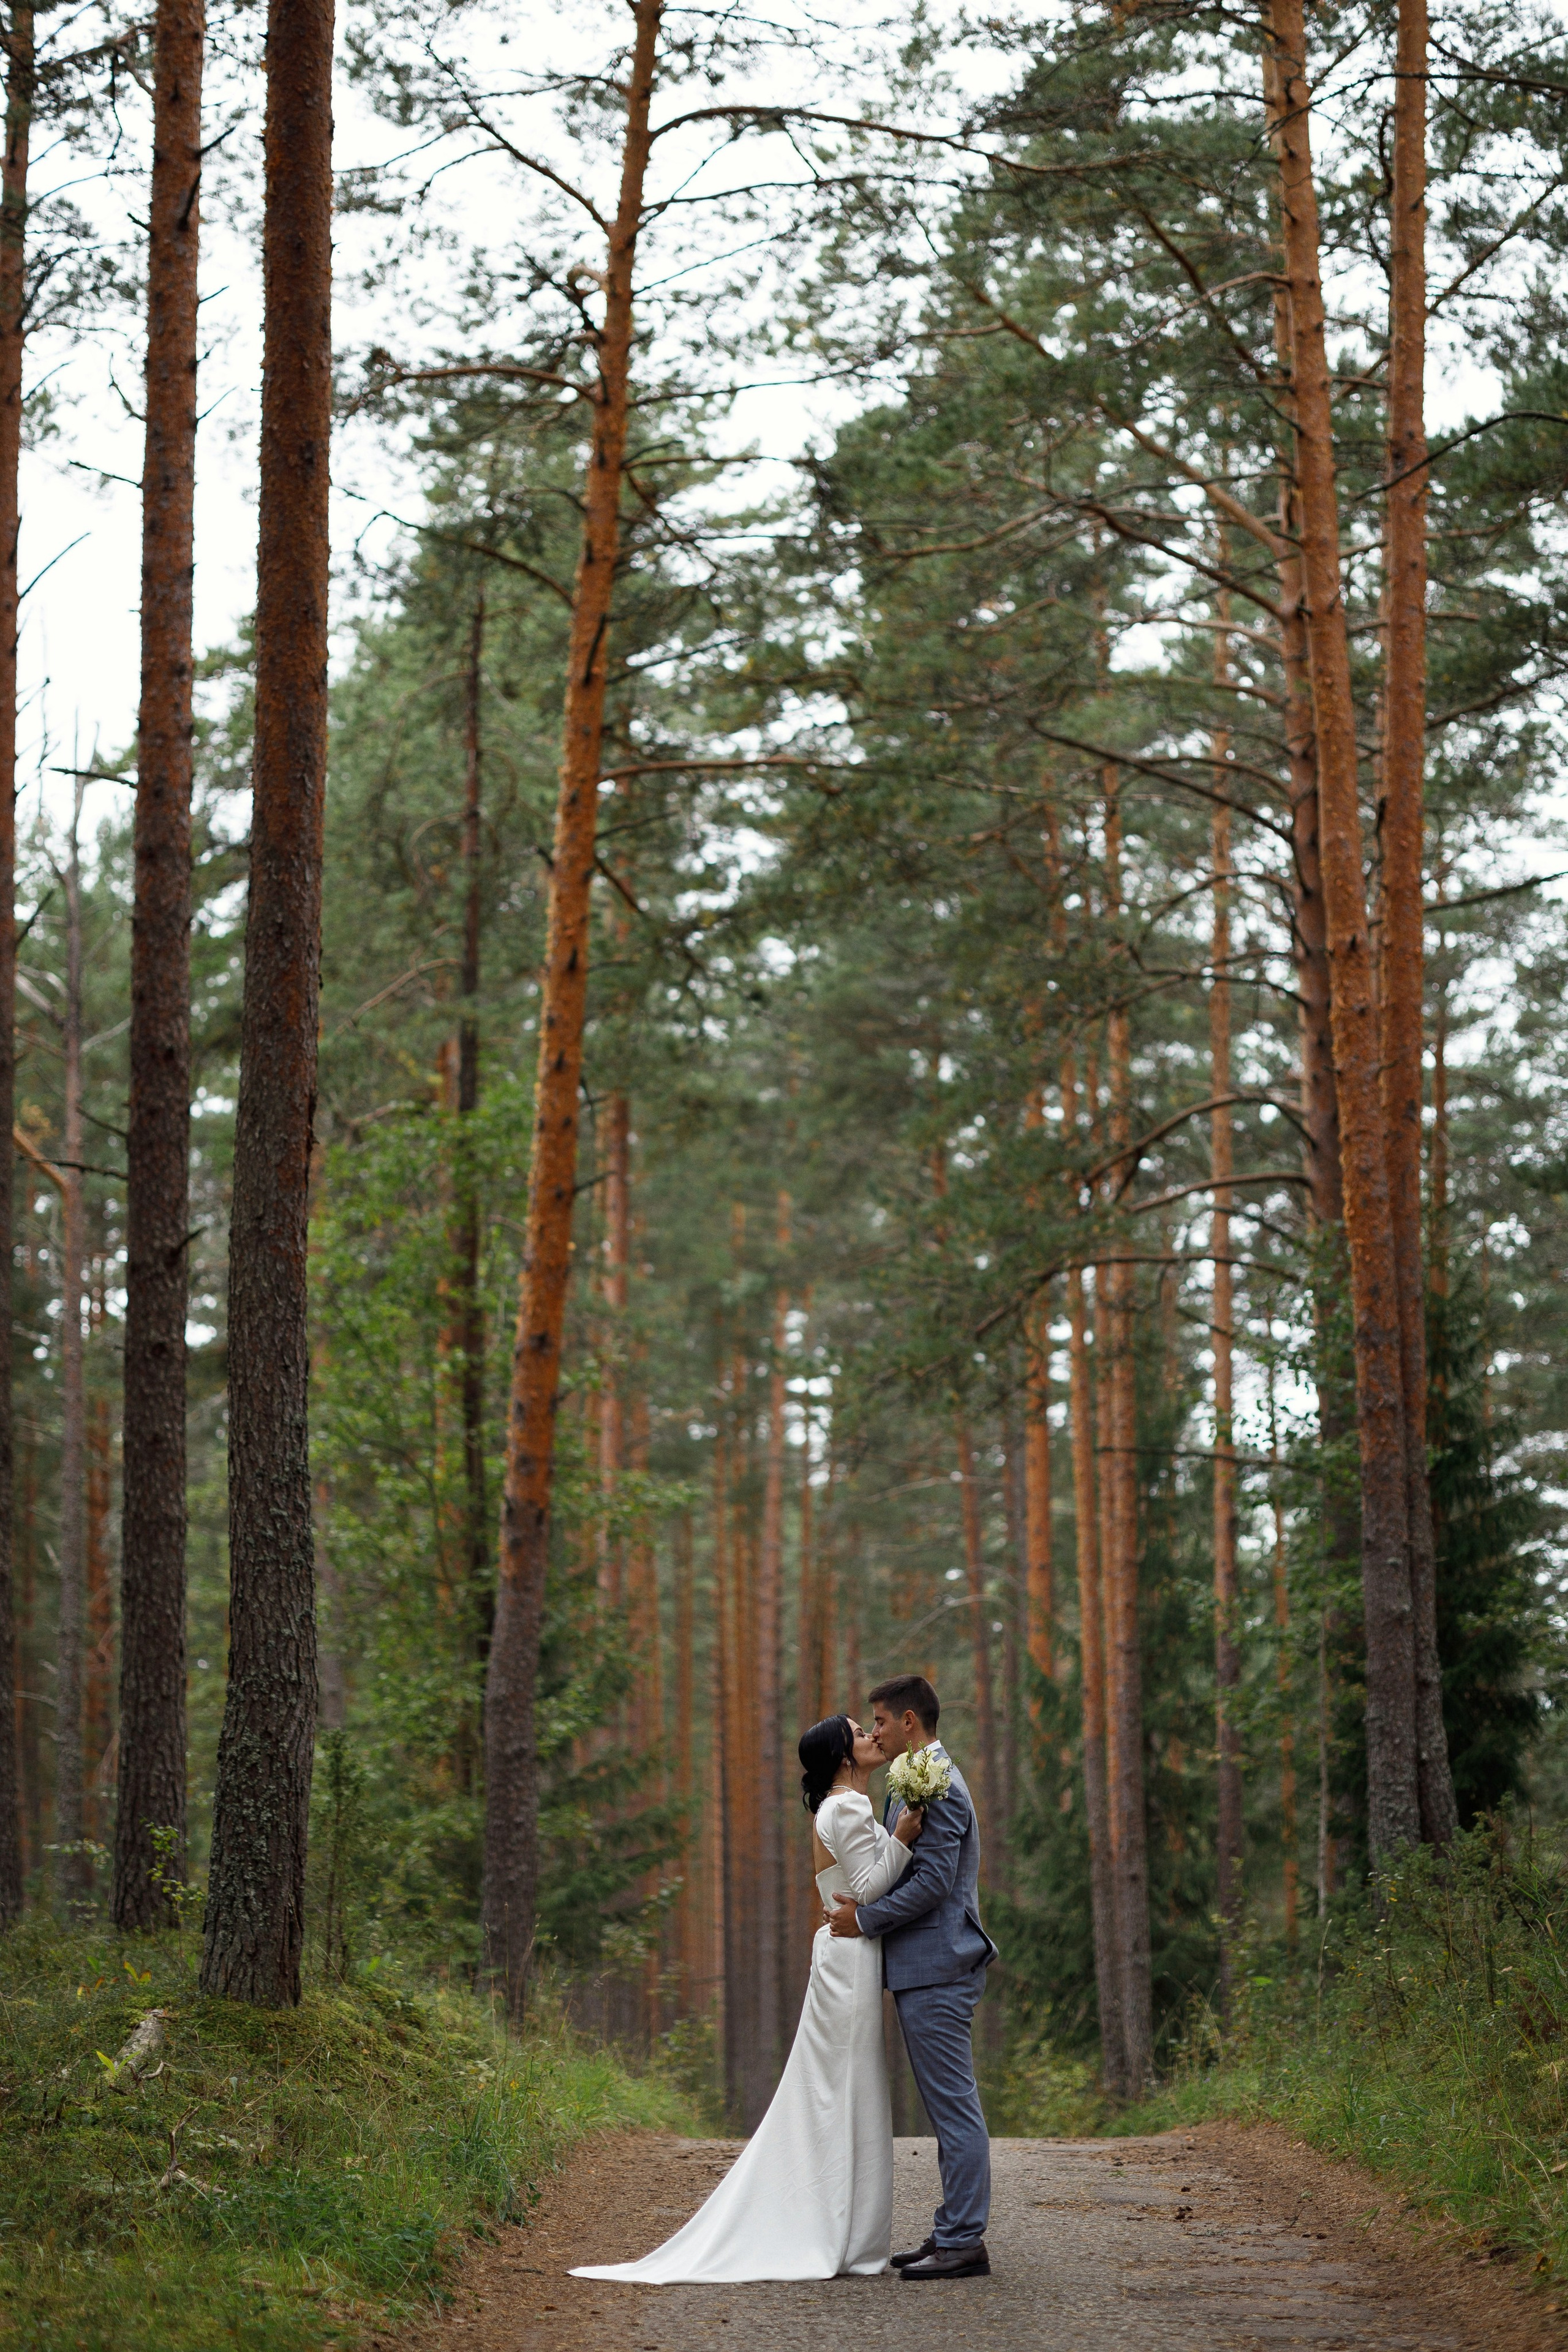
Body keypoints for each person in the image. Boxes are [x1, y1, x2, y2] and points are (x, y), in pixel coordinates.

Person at [569, 1711, 925, 2283]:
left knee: (842, 2087)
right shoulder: (849, 1806)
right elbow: (864, 1892)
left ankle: (851, 2234)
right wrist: (905, 1840)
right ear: (841, 1756)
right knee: (846, 2088)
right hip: (849, 1956)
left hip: (843, 1955)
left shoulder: (833, 1807)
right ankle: (845, 2236)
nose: (871, 1738)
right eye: (860, 1733)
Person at [826, 1672, 998, 2278]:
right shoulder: (912, 1776)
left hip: (941, 1964)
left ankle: (963, 2241)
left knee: (953, 2106)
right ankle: (951, 2230)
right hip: (923, 1968)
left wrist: (865, 1921)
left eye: (878, 1720)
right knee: (945, 2104)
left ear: (907, 1722)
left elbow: (932, 1884)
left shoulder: (938, 1781)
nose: (872, 1731)